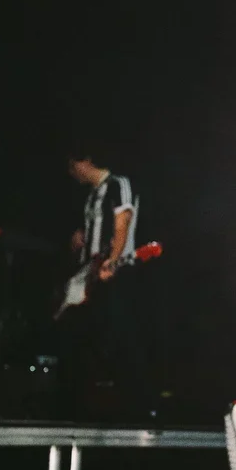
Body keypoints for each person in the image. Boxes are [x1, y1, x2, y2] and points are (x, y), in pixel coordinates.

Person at [62, 148, 146, 421]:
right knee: (89, 338)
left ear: (84, 161)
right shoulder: (92, 195)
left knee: (118, 337)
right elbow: (100, 230)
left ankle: (132, 407)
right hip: (90, 274)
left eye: (72, 166)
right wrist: (80, 238)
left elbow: (123, 223)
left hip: (114, 273)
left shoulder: (117, 184)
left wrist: (111, 261)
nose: (72, 173)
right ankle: (86, 404)